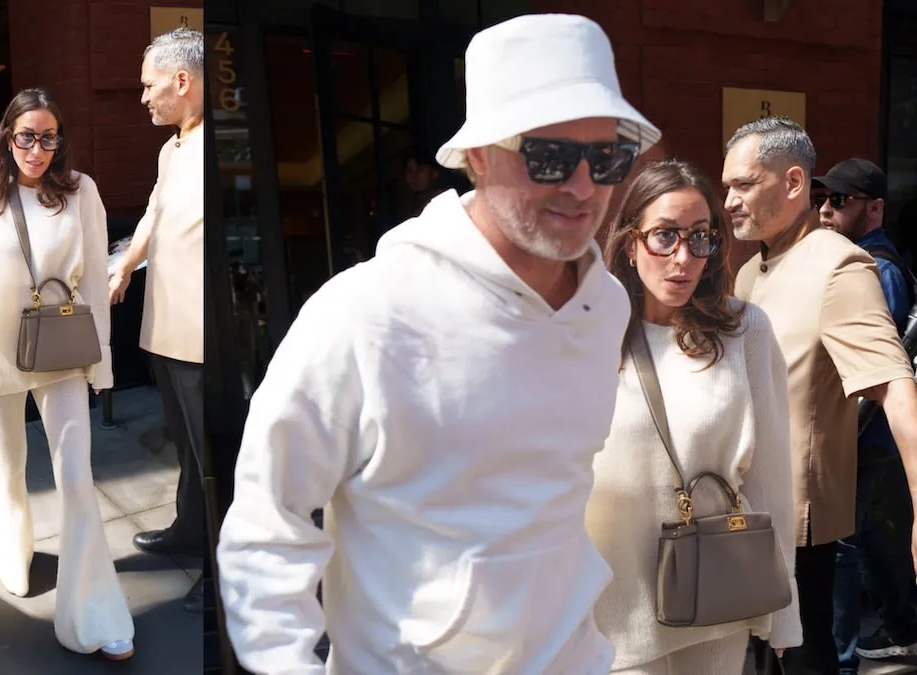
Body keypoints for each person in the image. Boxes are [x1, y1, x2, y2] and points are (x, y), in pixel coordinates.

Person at [217, 14, 661, 674]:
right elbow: (267, 523)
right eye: (548, 155)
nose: (582, 186)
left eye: (606, 157)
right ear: (478, 155)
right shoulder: (365, 312)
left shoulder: (607, 305)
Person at [587, 159, 801, 673]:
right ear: (630, 241)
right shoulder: (590, 332)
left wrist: (784, 609)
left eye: (700, 237)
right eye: (664, 236)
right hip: (608, 612)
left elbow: (770, 476)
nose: (683, 258)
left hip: (714, 601)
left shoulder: (743, 330)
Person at [725, 117, 917, 675]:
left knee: (804, 662)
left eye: (743, 184)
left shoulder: (840, 266)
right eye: (728, 185)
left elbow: (894, 385)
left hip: (798, 527)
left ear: (792, 184)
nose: (729, 200)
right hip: (745, 518)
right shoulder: (749, 273)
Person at [0, 87, 135, 661]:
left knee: (76, 477)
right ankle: (13, 555)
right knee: (8, 470)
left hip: (62, 351)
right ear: (7, 136)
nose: (36, 149)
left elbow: (93, 281)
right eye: (25, 137)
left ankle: (95, 612)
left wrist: (103, 364)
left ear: (60, 140)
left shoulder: (80, 192)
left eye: (47, 137)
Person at [108, 27, 205, 612]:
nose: (143, 97)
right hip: (165, 329)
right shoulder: (172, 149)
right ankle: (189, 531)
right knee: (188, 451)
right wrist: (124, 266)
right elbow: (153, 210)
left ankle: (220, 573)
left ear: (182, 81)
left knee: (213, 455)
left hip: (200, 337)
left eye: (149, 86)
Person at [814, 158, 917, 671]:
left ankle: (850, 656)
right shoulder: (856, 263)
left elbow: (878, 366)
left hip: (865, 438)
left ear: (874, 208)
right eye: (823, 200)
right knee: (861, 542)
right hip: (860, 440)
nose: (826, 210)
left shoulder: (880, 270)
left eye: (841, 201)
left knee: (845, 547)